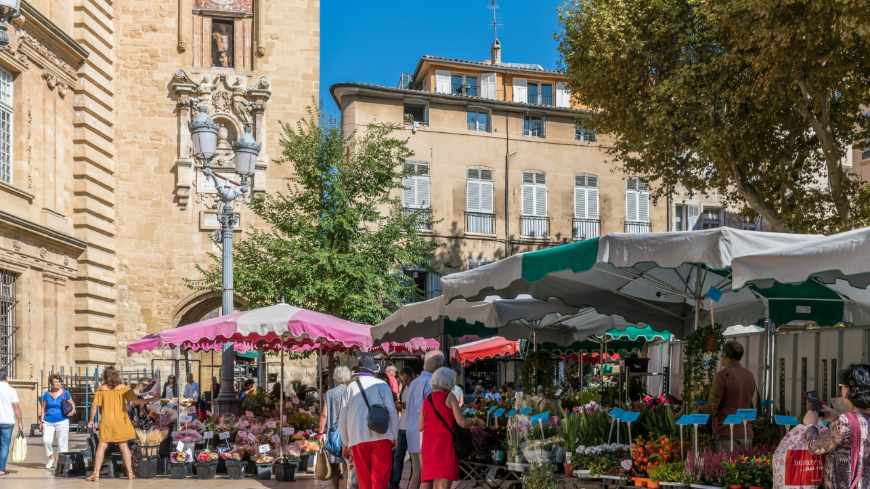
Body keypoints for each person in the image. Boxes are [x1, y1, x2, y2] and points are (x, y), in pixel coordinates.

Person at [805, 364, 870, 489]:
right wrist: (836, 419)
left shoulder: (844, 422)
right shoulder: (845, 421)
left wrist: (811, 425)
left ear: (850, 389)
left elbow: (815, 447)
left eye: (842, 387)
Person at [338, 357, 399, 489]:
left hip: (358, 437)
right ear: (374, 371)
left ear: (359, 371)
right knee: (380, 479)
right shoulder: (383, 385)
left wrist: (345, 443)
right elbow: (392, 412)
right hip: (382, 435)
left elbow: (342, 418)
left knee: (364, 480)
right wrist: (394, 435)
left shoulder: (350, 388)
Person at [419, 368, 485, 489]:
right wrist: (476, 420)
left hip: (429, 445)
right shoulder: (449, 396)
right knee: (444, 484)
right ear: (449, 381)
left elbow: (420, 426)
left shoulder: (427, 398)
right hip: (445, 445)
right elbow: (463, 423)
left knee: (436, 483)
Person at [87, 366, 151, 482]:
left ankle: (96, 474)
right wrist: (152, 399)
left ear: (105, 376)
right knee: (124, 446)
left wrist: (91, 420)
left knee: (101, 446)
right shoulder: (124, 388)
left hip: (107, 422)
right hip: (122, 421)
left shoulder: (101, 389)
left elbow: (94, 407)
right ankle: (130, 473)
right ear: (117, 375)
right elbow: (136, 401)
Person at [700, 341, 756, 448]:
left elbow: (712, 408)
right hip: (746, 434)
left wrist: (698, 407)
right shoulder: (749, 375)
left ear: (724, 354)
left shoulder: (721, 375)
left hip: (726, 435)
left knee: (725, 464)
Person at [407, 350, 444, 489]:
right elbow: (432, 413)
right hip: (425, 435)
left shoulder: (414, 383)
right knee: (427, 476)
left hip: (412, 433)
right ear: (439, 367)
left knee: (417, 473)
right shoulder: (431, 384)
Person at [320, 366, 351, 489]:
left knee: (333, 464)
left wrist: (321, 433)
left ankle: (335, 488)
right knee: (347, 464)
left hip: (333, 434)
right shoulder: (351, 391)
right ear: (348, 379)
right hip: (347, 433)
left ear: (335, 379)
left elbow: (324, 415)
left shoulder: (330, 393)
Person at [40, 373, 75, 469]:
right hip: (48, 421)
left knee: (62, 443)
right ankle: (51, 457)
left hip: (62, 420)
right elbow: (43, 408)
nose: (57, 384)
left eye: (59, 382)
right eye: (55, 382)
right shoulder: (47, 394)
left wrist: (72, 411)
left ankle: (61, 464)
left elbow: (72, 403)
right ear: (51, 383)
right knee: (46, 440)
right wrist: (41, 422)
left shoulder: (65, 392)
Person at [390, 367, 415, 489]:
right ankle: (394, 484)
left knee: (412, 459)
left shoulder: (416, 387)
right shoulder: (404, 387)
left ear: (413, 376)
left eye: (407, 380)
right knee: (398, 457)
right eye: (403, 380)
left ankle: (412, 483)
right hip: (402, 427)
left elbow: (419, 407)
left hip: (412, 428)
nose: (405, 382)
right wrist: (399, 406)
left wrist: (406, 406)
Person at [0, 368, 23, 476]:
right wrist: (20, 422)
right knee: (4, 446)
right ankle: (1, 469)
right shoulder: (11, 390)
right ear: (6, 378)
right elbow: (16, 408)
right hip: (7, 421)